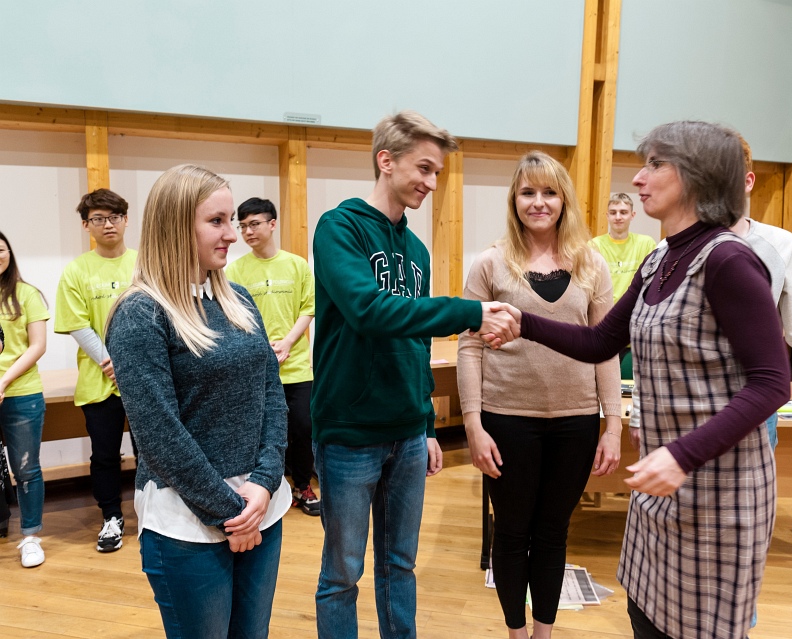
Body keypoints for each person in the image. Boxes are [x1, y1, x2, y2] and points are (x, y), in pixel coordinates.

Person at [514, 121, 791, 639]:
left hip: (719, 494)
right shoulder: (660, 258)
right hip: (661, 490)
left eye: (655, 164)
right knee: (646, 619)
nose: (639, 179)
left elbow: (773, 382)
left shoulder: (728, 259)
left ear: (696, 175)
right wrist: (520, 321)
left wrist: (681, 455)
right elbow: (600, 342)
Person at [311, 110, 519, 639]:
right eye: (424, 168)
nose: (431, 182)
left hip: (406, 435)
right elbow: (368, 310)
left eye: (437, 173)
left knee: (400, 565)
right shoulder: (339, 228)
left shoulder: (417, 251)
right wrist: (470, 313)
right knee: (342, 574)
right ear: (386, 161)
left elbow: (416, 345)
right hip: (349, 434)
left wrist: (426, 424)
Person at [105, 164, 289, 638]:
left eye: (232, 220)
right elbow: (160, 435)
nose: (233, 234)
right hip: (188, 525)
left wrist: (265, 482)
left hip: (260, 507)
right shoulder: (140, 314)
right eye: (217, 221)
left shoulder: (238, 298)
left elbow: (271, 394)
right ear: (174, 226)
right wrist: (231, 512)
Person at [458, 151, 622, 639]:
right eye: (527, 192)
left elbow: (606, 348)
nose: (538, 202)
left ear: (563, 199)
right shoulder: (489, 264)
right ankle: (516, 632)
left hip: (575, 422)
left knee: (553, 533)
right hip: (506, 419)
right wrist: (472, 425)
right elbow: (469, 347)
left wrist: (613, 425)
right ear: (514, 199)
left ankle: (543, 633)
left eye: (549, 192)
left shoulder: (591, 264)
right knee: (511, 533)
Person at [732, 137, 792, 466]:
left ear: (748, 182)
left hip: (752, 410)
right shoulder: (671, 247)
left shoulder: (781, 245)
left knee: (748, 498)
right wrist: (642, 411)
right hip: (680, 410)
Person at [54, 189, 137, 552]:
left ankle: (154, 513)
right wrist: (113, 363)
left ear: (126, 220)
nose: (108, 224)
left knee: (153, 451)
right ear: (86, 225)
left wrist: (133, 364)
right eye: (98, 219)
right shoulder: (76, 270)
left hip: (145, 377)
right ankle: (111, 518)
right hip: (99, 380)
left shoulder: (144, 263)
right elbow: (77, 324)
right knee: (104, 455)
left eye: (114, 217)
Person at [226, 197, 319, 516]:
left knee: (303, 428)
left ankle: (303, 486)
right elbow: (233, 315)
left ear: (272, 224)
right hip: (257, 369)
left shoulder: (296, 265)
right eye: (242, 226)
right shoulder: (235, 270)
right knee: (263, 435)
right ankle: (269, 489)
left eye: (254, 224)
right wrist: (261, 347)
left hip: (297, 367)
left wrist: (289, 342)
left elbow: (309, 308)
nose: (248, 232)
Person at [0, 231, 49, 568]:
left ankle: (31, 538)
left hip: (22, 393)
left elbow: (37, 345)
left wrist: (3, 381)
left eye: (0, 249)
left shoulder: (27, 294)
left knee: (26, 469)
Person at [589, 193, 656, 304]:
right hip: (604, 309)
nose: (618, 217)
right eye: (613, 213)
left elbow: (652, 283)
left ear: (632, 215)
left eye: (623, 212)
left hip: (635, 309)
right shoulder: (594, 245)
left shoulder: (646, 244)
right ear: (607, 216)